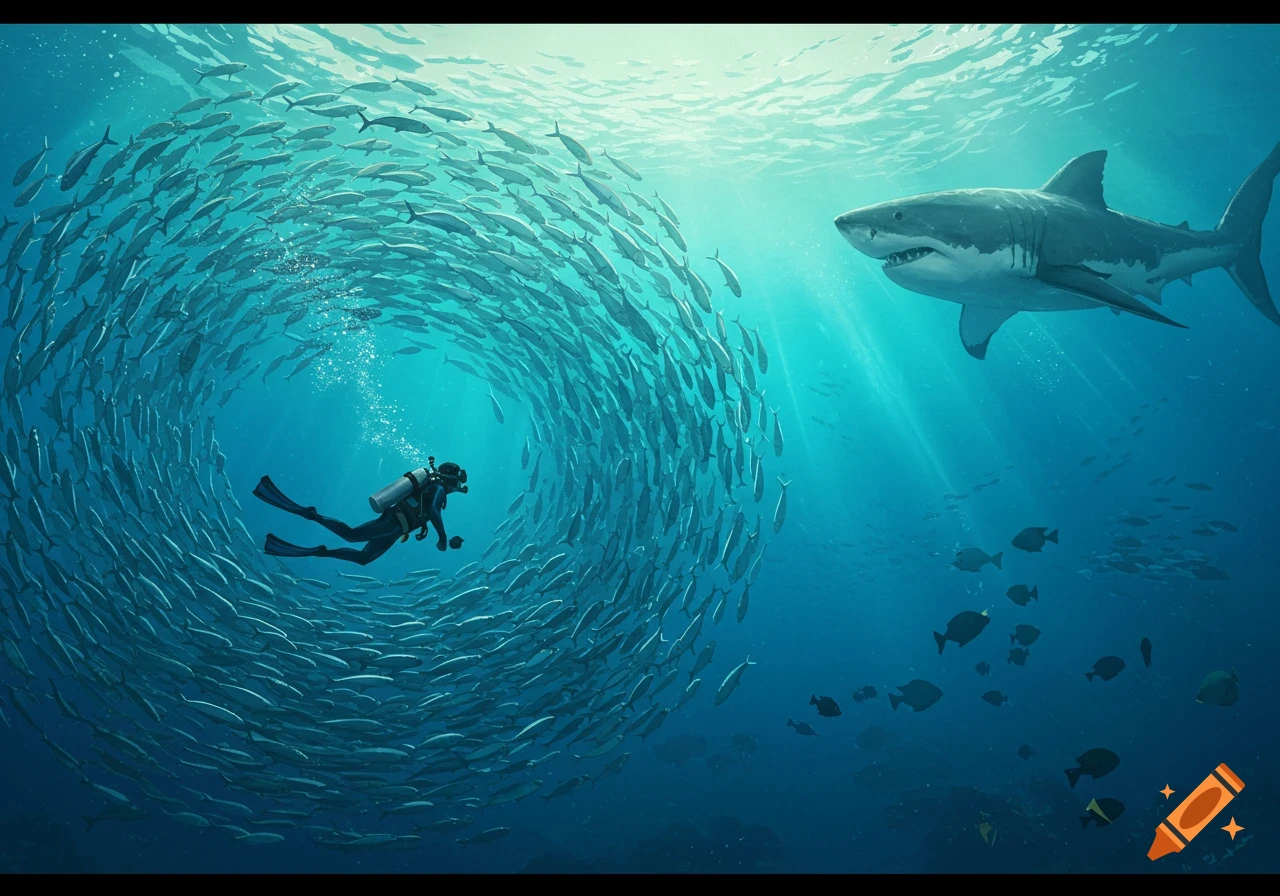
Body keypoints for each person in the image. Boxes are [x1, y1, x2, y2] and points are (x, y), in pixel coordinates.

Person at [254, 459, 468, 565]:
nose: (457, 486)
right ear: (450, 476)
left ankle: (321, 551)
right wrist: (442, 537)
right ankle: (312, 514)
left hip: (397, 529)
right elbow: (434, 511)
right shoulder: (438, 487)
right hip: (393, 522)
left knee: (364, 558)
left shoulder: (435, 486)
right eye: (457, 480)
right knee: (351, 535)